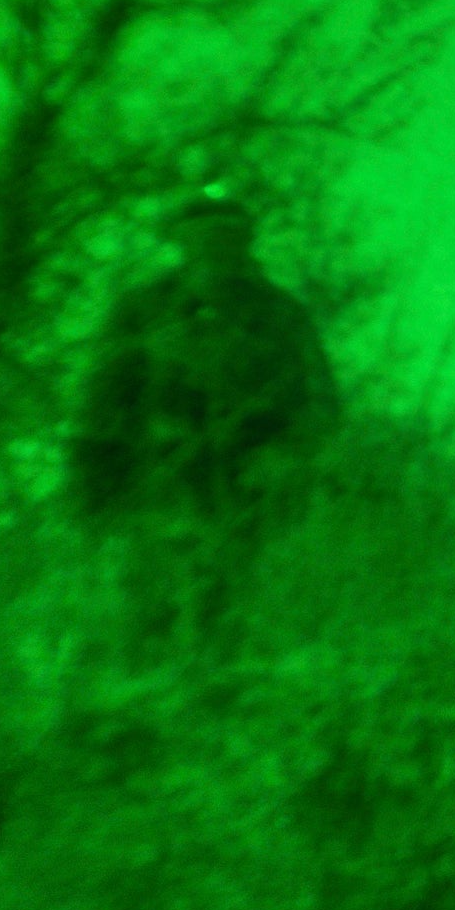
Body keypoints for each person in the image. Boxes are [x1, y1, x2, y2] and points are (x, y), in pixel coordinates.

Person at [66, 190, 340, 660]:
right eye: (202, 231)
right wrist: (90, 478)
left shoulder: (281, 313)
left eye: (227, 231)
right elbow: (98, 397)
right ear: (180, 238)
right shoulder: (140, 308)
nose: (215, 242)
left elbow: (323, 406)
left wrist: (286, 456)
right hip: (154, 481)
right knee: (144, 608)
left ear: (246, 239)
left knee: (241, 607)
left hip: (251, 486)